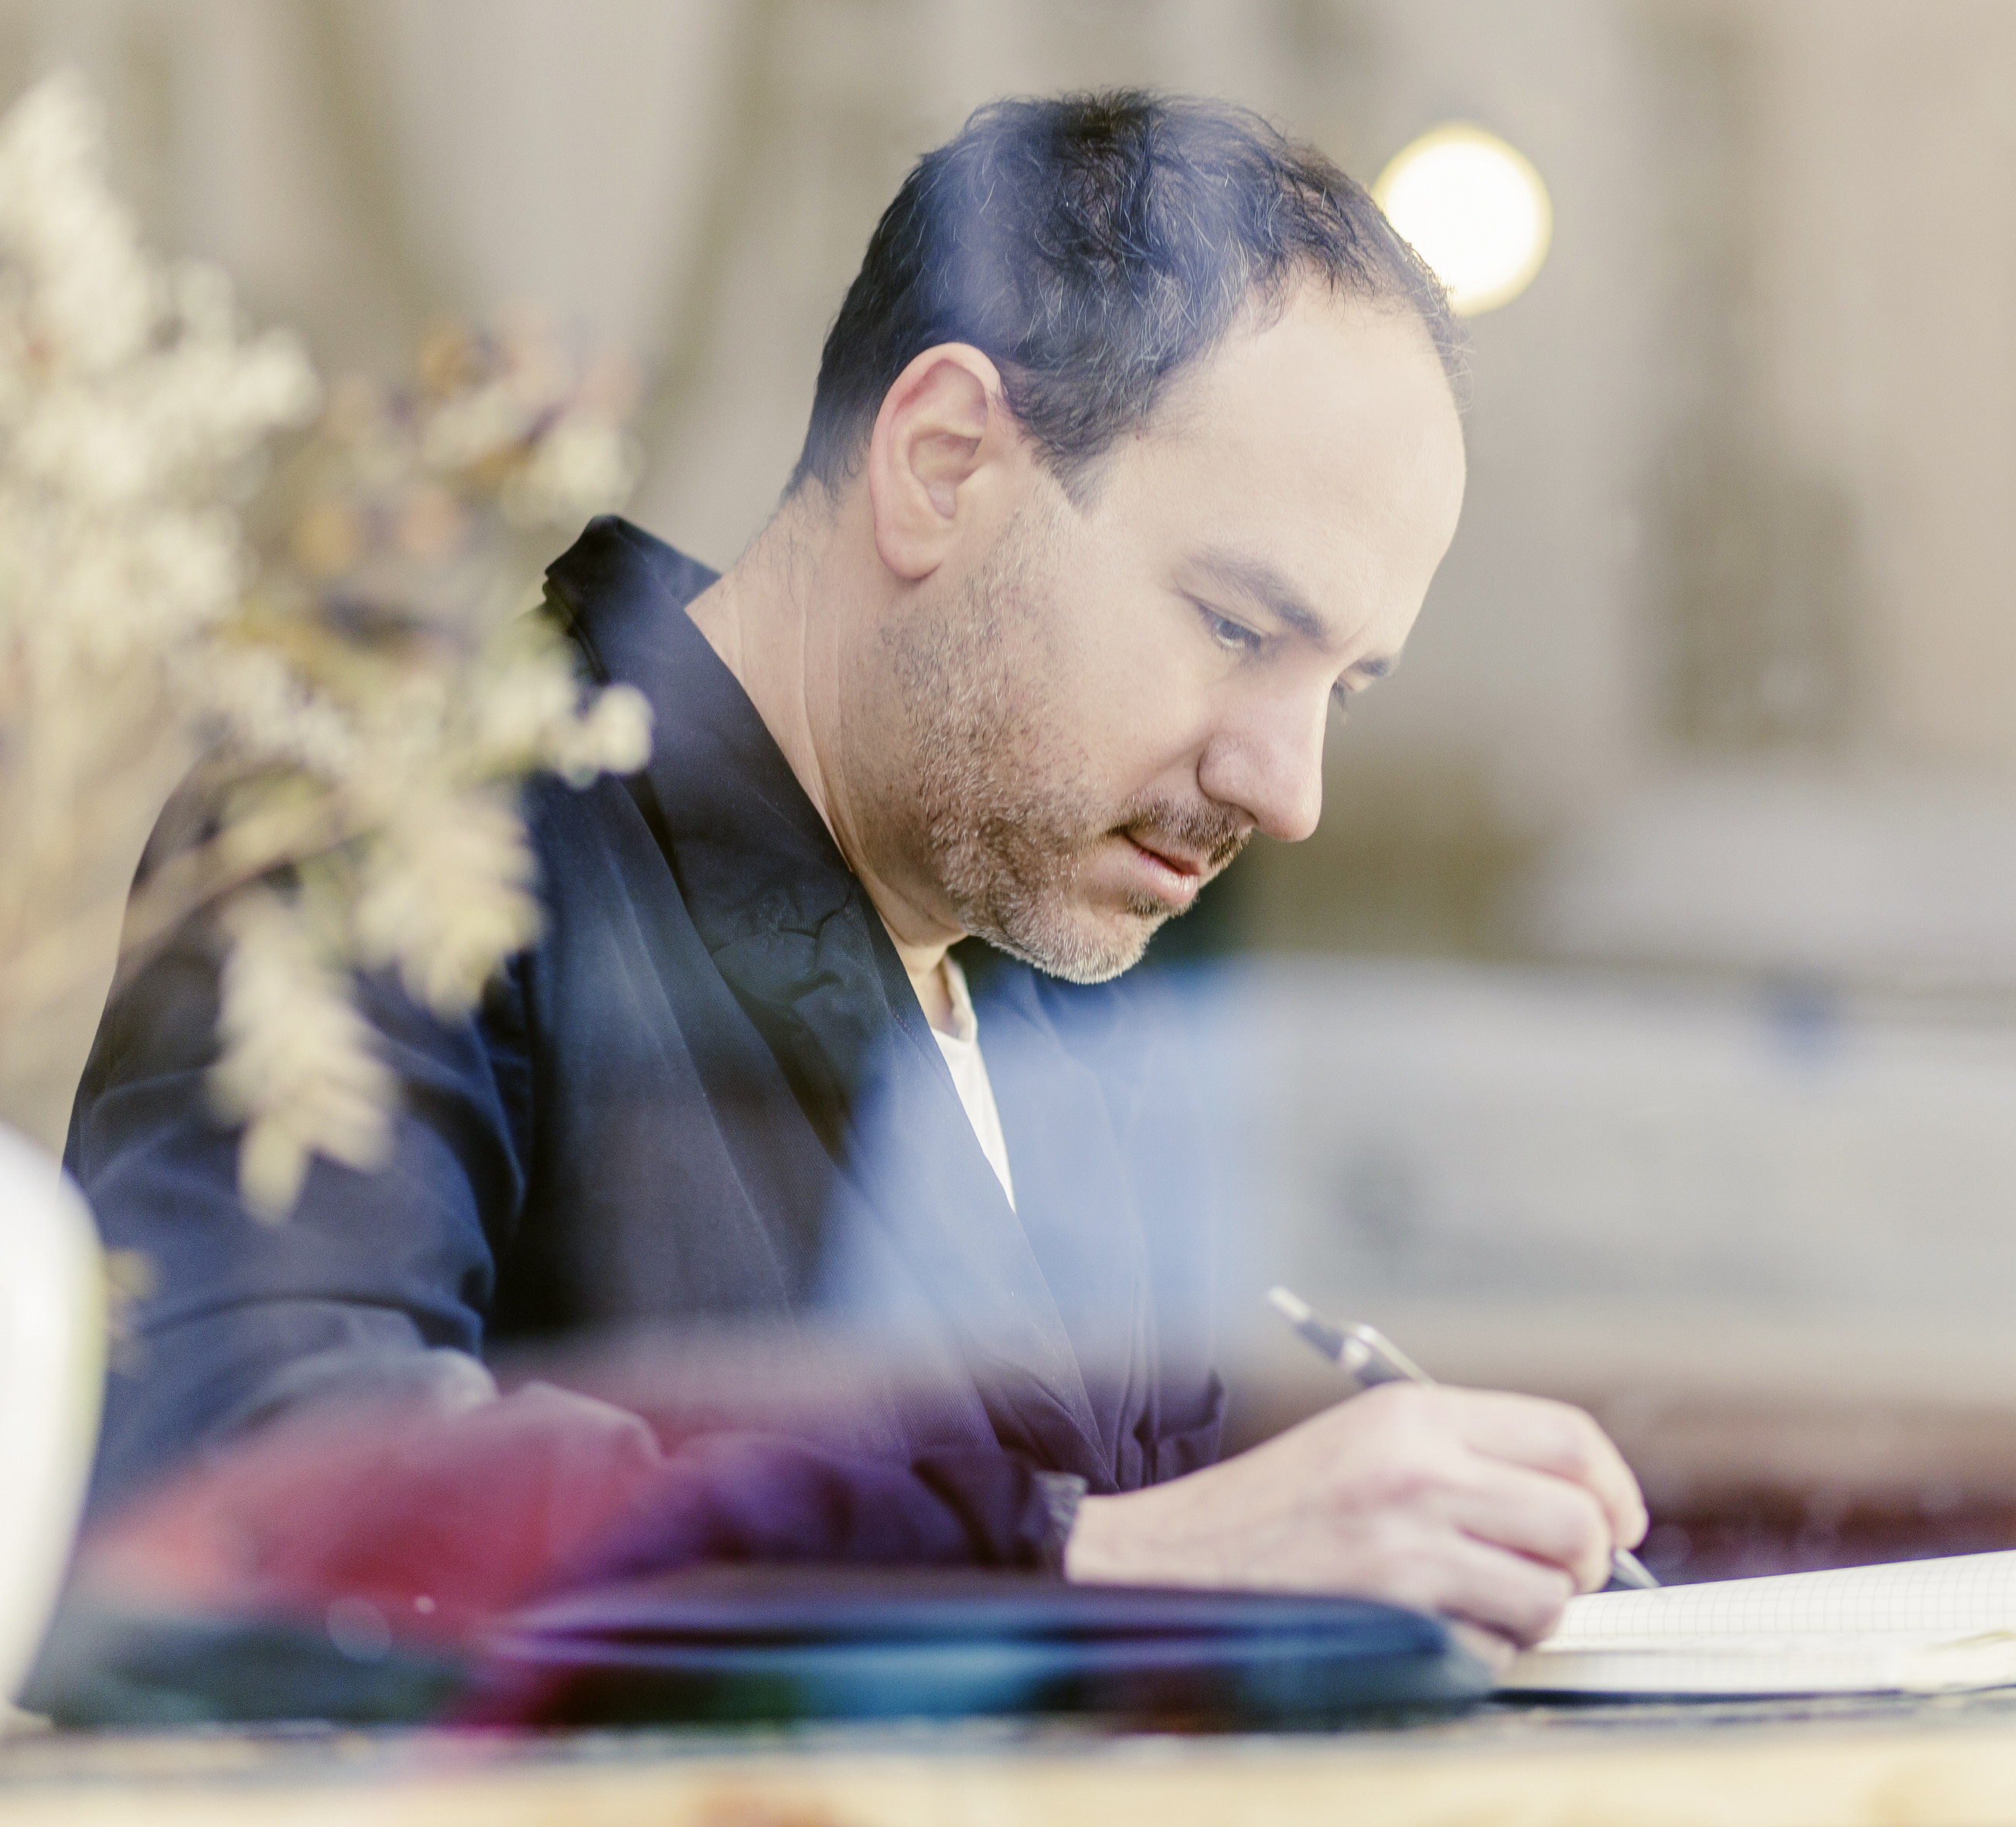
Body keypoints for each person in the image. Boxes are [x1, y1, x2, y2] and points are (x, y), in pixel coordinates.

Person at [66, 91, 1644, 1657]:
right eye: (1235, 625)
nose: (1289, 792)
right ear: (940, 463)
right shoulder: (400, 823)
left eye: (1343, 688)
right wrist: (1099, 1559)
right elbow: (244, 1479)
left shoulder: (1060, 1010)